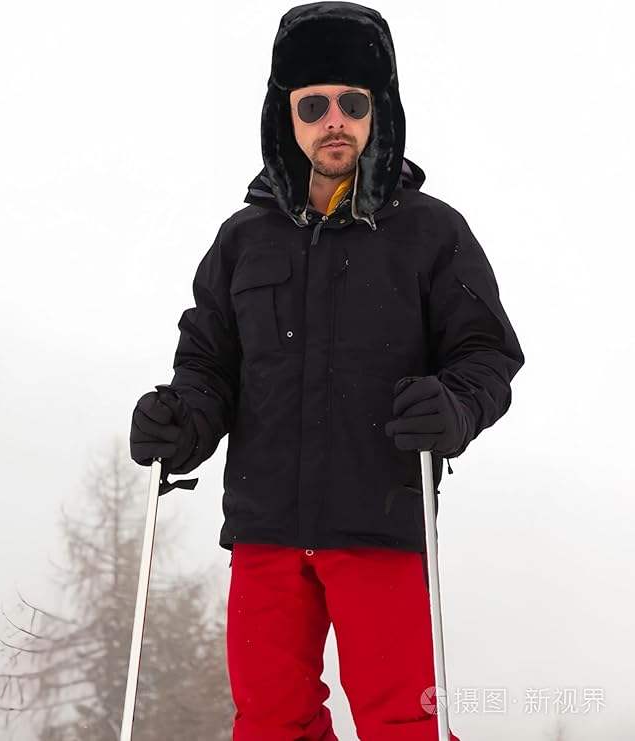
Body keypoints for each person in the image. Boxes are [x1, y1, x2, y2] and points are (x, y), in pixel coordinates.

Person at [130, 2, 525, 739]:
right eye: (313, 104)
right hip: (265, 528)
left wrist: (454, 404)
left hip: (379, 519)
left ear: (380, 111)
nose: (334, 120)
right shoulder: (243, 240)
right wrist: (181, 420)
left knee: (403, 721)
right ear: (286, 116)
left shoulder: (430, 232)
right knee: (270, 722)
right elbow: (208, 365)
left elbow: (487, 353)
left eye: (352, 102)